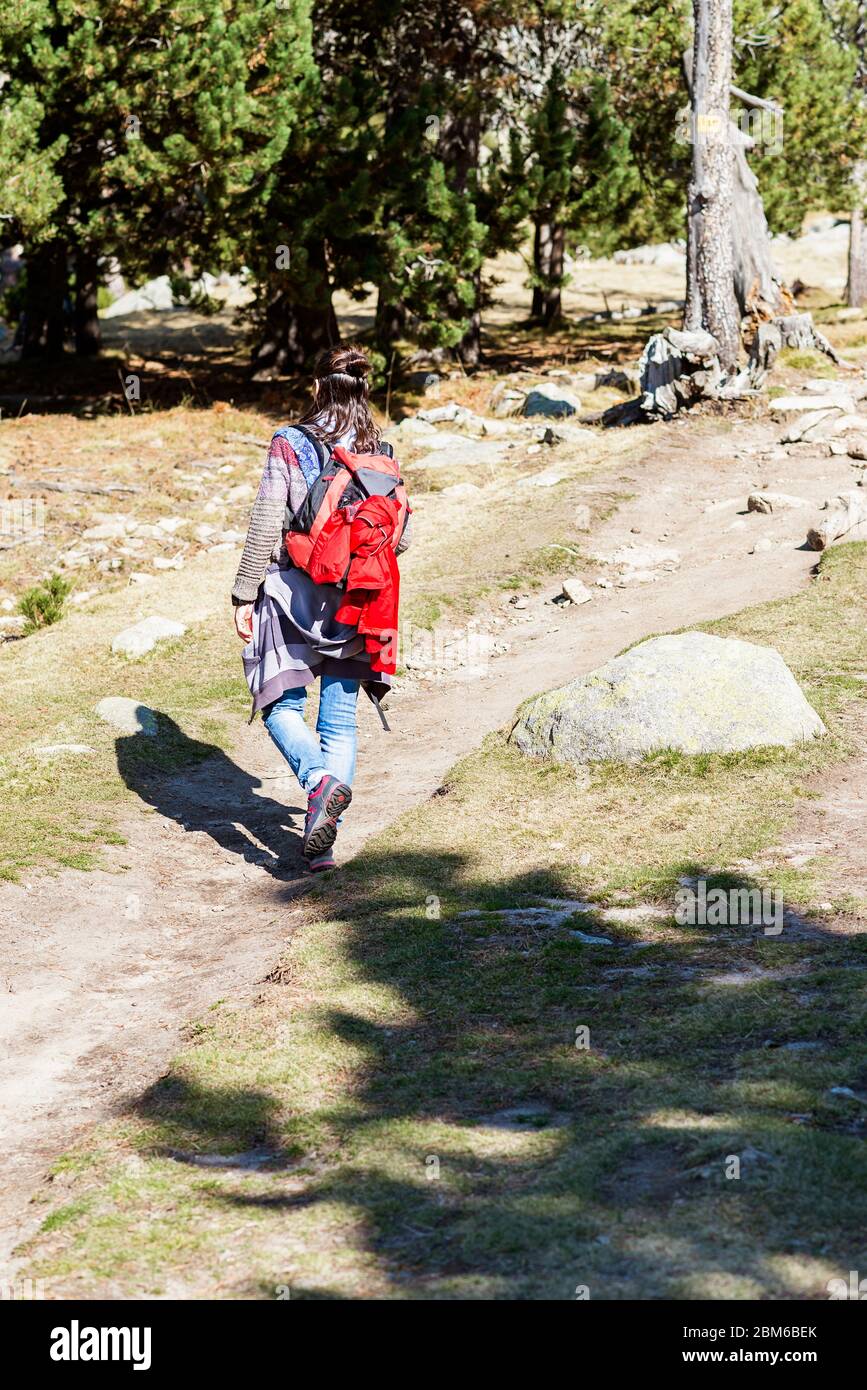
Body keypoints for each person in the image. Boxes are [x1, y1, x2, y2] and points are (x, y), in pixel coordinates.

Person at [232, 345, 410, 871]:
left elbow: (267, 519)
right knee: (340, 723)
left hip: (291, 594)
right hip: (358, 600)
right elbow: (398, 537)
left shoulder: (289, 442)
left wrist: (244, 593)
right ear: (362, 389)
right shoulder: (382, 451)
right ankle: (323, 848)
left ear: (316, 387)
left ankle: (317, 782)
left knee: (280, 706)